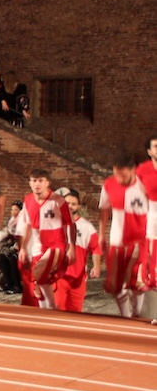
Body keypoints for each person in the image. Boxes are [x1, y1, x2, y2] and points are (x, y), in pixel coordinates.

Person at [99, 154, 149, 318]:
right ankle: (125, 315)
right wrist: (102, 234)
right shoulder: (109, 184)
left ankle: (137, 313)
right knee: (114, 283)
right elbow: (104, 209)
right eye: (116, 174)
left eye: (123, 175)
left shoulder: (145, 185)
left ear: (133, 170)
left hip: (140, 240)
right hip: (117, 240)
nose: (119, 178)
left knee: (136, 280)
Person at [17, 169, 75, 310]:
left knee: (39, 274)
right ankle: (48, 309)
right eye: (34, 180)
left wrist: (71, 247)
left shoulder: (58, 201)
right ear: (30, 183)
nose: (37, 184)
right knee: (42, 281)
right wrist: (23, 247)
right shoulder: (28, 200)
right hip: (38, 246)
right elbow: (28, 226)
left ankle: (50, 308)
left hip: (56, 243)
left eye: (41, 180)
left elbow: (71, 224)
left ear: (47, 183)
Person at [54, 189, 101, 312]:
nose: (70, 206)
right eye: (67, 203)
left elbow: (95, 248)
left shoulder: (87, 227)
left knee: (75, 312)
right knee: (57, 310)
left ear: (78, 206)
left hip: (78, 278)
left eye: (73, 204)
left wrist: (96, 266)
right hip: (58, 276)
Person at [136, 134, 157, 293]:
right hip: (152, 210)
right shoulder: (143, 169)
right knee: (150, 245)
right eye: (156, 146)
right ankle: (147, 278)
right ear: (149, 151)